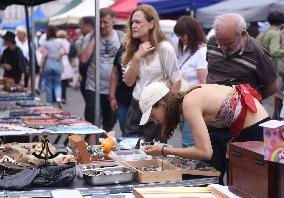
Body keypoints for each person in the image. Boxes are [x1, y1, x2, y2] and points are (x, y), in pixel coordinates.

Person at [206, 13, 279, 184]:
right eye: (220, 42)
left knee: (239, 178)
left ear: (243, 34)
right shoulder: (212, 43)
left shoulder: (258, 52)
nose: (223, 47)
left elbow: (272, 87)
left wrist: (243, 103)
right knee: (210, 174)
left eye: (229, 43)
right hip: (212, 123)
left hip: (242, 127)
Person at [140, 82, 269, 161]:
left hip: (255, 128)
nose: (154, 121)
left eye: (152, 115)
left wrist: (164, 150)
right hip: (252, 125)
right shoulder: (189, 96)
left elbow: (205, 152)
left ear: (162, 104)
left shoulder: (189, 104)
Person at [123, 4, 181, 142]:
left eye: (137, 22)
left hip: (156, 106)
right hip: (136, 104)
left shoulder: (164, 48)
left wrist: (167, 110)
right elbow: (129, 81)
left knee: (153, 154)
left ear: (151, 24)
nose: (133, 26)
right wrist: (137, 56)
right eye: (132, 22)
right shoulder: (134, 48)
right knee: (129, 149)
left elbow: (176, 81)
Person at [84, 8, 123, 144]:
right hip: (93, 86)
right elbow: (83, 59)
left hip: (113, 89)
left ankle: (104, 150)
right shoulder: (90, 37)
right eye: (99, 22)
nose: (102, 26)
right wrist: (95, 38)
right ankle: (90, 154)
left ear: (114, 21)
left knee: (109, 123)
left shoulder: (121, 37)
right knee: (91, 123)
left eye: (105, 22)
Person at [173, 16, 208, 147]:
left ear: (192, 33)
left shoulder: (202, 51)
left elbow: (204, 84)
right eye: (179, 35)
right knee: (188, 143)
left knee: (189, 145)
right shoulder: (188, 50)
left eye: (182, 35)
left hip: (195, 105)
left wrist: (184, 89)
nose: (180, 38)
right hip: (186, 103)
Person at [109, 45, 134, 137]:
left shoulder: (145, 48)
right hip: (122, 98)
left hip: (140, 100)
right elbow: (115, 73)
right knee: (125, 130)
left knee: (135, 133)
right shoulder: (123, 48)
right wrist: (112, 97)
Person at [257, 11, 284, 86]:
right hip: (270, 68)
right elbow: (274, 51)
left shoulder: (262, 33)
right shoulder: (275, 33)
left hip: (260, 66)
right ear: (282, 22)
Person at [40, 26, 64, 107]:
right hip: (57, 62)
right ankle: (58, 98)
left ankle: (49, 103)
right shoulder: (60, 42)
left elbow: (43, 56)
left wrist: (41, 67)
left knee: (48, 84)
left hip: (48, 62)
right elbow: (64, 52)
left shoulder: (45, 43)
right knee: (58, 83)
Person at [78, 16, 95, 100]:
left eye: (82, 27)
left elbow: (83, 58)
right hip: (86, 77)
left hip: (90, 79)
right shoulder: (87, 37)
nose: (81, 30)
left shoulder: (89, 37)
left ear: (88, 26)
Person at [56, 30, 73, 104]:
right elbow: (67, 52)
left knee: (57, 80)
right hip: (65, 61)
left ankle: (57, 96)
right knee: (64, 81)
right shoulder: (67, 42)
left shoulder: (56, 41)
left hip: (57, 60)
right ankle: (63, 97)